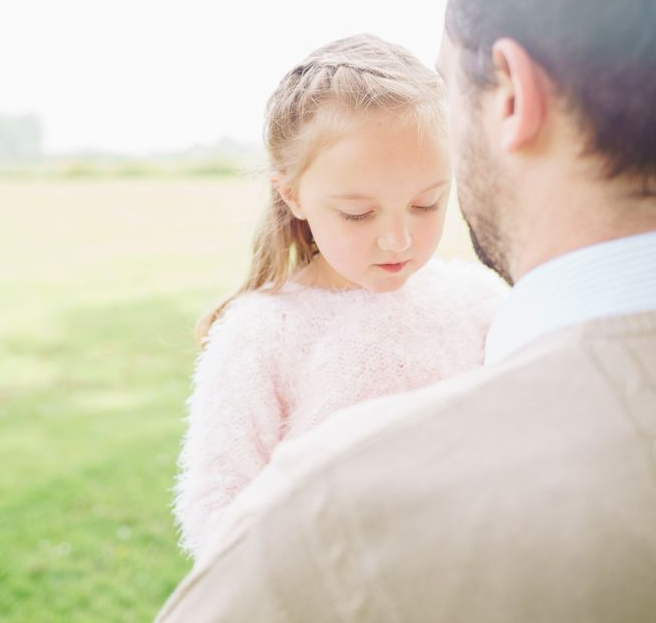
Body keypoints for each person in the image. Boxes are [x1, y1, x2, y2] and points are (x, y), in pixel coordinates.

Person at [156, 0, 656, 620]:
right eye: (359, 211)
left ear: (511, 93)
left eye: (450, 86)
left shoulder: (321, 529)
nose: (397, 236)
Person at [173, 34, 505, 561]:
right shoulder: (260, 334)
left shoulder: (479, 303)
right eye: (357, 213)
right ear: (294, 195)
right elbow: (219, 509)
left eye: (426, 204)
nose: (397, 239)